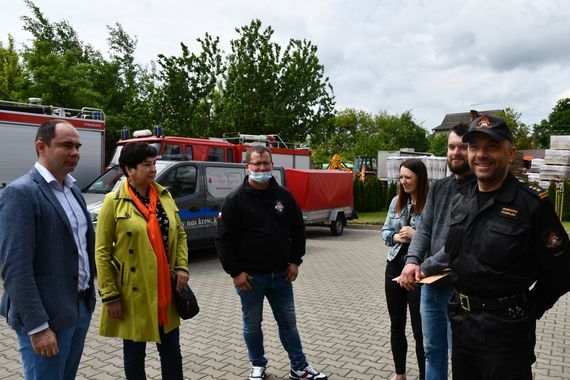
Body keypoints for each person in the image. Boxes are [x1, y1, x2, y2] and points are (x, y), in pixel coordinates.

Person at [445, 114, 570, 379]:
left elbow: (563, 271)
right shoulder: (461, 199)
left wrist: (530, 308)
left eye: (492, 146)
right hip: (462, 328)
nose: (481, 154)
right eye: (475, 147)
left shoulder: (532, 205)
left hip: (506, 336)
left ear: (510, 153)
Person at [215, 145, 327, 380]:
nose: (262, 168)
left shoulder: (284, 196)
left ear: (271, 165)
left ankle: (299, 367)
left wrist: (295, 261)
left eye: (266, 163)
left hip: (281, 275)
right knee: (252, 325)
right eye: (257, 164)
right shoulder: (235, 200)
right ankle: (258, 364)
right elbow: (223, 240)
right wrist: (236, 273)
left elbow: (298, 229)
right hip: (250, 279)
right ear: (248, 167)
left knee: (288, 323)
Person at [0, 120, 96, 380]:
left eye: (77, 146)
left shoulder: (73, 189)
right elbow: (15, 268)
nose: (75, 152)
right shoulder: (20, 193)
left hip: (78, 308)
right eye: (66, 145)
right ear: (41, 147)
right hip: (47, 318)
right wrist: (38, 327)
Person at [95, 142, 189, 379]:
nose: (153, 169)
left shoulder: (165, 196)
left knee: (172, 352)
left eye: (154, 163)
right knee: (135, 354)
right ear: (129, 169)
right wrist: (110, 295)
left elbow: (180, 234)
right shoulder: (113, 201)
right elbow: (102, 251)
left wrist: (181, 267)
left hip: (165, 288)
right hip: (132, 292)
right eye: (146, 165)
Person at [398, 123, 475, 380]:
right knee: (432, 351)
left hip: (460, 290)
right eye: (452, 146)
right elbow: (424, 230)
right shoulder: (439, 188)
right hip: (430, 289)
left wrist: (422, 267)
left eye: (463, 147)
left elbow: (457, 245)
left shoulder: (480, 190)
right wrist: (411, 261)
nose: (456, 152)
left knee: (462, 358)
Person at [381, 158, 428, 380]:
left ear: (420, 178)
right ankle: (400, 373)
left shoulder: (430, 203)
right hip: (394, 267)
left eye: (408, 177)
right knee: (396, 324)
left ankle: (424, 375)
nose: (403, 181)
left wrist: (415, 235)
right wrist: (396, 236)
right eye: (400, 177)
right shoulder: (396, 202)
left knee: (420, 330)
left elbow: (437, 239)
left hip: (418, 271)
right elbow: (385, 232)